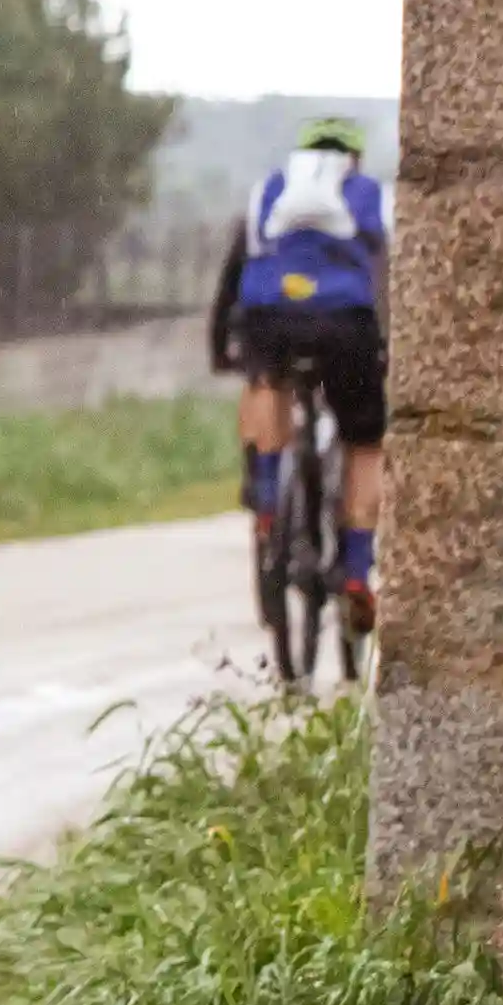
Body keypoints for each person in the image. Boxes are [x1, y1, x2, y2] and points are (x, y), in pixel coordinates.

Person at [208, 115, 389, 630]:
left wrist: (222, 349)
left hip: (270, 316)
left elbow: (234, 277)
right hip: (344, 323)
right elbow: (385, 277)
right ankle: (357, 571)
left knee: (267, 382)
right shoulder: (367, 195)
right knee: (365, 442)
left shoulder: (269, 191)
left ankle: (268, 497)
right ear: (354, 158)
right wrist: (388, 348)